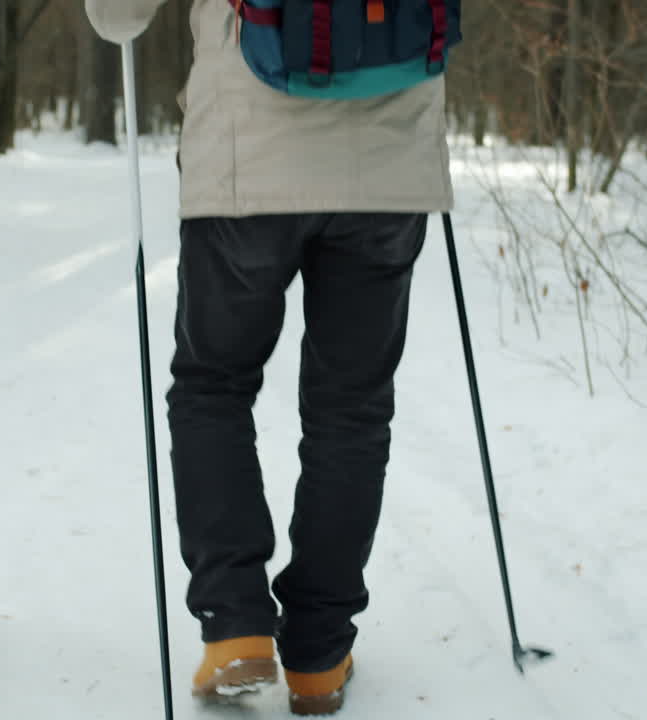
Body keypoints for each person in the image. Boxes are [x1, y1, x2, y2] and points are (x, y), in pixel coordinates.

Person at [86, 0, 454, 714]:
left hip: (243, 156)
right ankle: (319, 654)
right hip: (391, 156)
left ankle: (235, 625)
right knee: (352, 409)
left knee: (211, 387)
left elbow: (117, 16)